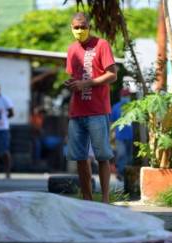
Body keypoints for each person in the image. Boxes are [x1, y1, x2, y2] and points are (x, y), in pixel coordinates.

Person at [65, 12, 117, 203]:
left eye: (83, 26)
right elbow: (74, 76)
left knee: (102, 156)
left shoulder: (101, 45)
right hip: (77, 111)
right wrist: (72, 83)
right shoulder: (71, 50)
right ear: (71, 28)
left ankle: (105, 199)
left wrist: (86, 84)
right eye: (76, 27)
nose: (79, 30)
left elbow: (112, 75)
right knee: (80, 158)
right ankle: (87, 199)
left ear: (89, 27)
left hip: (98, 110)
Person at [110, 87, 133, 181]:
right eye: (125, 95)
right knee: (121, 154)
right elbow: (111, 122)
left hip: (130, 136)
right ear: (121, 96)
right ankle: (120, 172)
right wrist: (111, 135)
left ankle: (127, 174)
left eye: (127, 95)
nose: (126, 97)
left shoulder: (132, 106)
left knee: (129, 156)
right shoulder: (116, 107)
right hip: (119, 136)